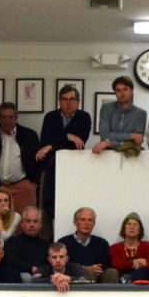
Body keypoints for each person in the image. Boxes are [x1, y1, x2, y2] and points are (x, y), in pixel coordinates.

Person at [36, 85, 91, 226]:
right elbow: (45, 140)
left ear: (78, 102)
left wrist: (51, 146)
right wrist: (68, 136)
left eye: (72, 99)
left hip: (73, 169)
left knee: (69, 205)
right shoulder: (50, 117)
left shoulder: (84, 117)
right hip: (49, 168)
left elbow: (78, 143)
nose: (68, 103)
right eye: (65, 99)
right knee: (46, 206)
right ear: (59, 101)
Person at [0, 102, 39, 218]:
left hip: (22, 187)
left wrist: (33, 184)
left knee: (24, 223)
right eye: (3, 117)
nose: (7, 120)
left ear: (16, 118)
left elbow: (39, 162)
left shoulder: (30, 135)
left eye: (10, 117)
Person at [58, 207, 120, 284]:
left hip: (99, 278)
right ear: (75, 222)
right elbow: (63, 264)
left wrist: (97, 270)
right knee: (88, 271)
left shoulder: (102, 243)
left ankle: (111, 295)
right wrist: (84, 268)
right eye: (83, 220)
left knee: (112, 272)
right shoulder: (64, 242)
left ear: (94, 224)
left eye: (90, 220)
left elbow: (106, 265)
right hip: (74, 279)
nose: (86, 223)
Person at [93, 76, 147, 155]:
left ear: (132, 91)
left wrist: (109, 143)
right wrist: (130, 136)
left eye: (125, 89)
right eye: (118, 90)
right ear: (115, 93)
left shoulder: (141, 114)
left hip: (131, 157)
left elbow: (137, 142)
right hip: (107, 156)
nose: (122, 93)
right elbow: (105, 135)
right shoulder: (106, 109)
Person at [4, 206, 49, 281]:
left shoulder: (46, 245)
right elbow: (10, 261)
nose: (32, 225)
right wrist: (31, 268)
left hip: (40, 284)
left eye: (35, 221)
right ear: (22, 223)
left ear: (41, 224)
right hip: (16, 284)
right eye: (28, 221)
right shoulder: (12, 242)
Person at [110, 212, 149, 283]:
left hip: (142, 281)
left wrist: (127, 264)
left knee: (142, 271)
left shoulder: (147, 245)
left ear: (140, 229)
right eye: (129, 224)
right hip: (120, 281)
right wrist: (133, 263)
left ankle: (130, 281)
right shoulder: (115, 248)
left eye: (135, 224)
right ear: (124, 228)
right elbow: (117, 265)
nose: (132, 227)